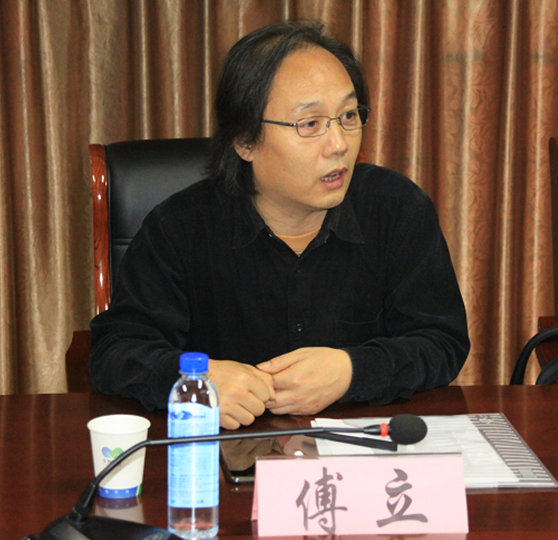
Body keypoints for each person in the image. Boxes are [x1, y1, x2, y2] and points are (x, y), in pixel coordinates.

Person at [89, 21, 470, 430]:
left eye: (348, 116)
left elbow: (441, 341)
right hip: (225, 454)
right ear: (245, 141)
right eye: (310, 124)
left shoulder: (396, 209)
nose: (339, 144)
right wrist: (193, 380)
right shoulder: (179, 228)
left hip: (362, 453)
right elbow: (116, 350)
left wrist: (352, 370)